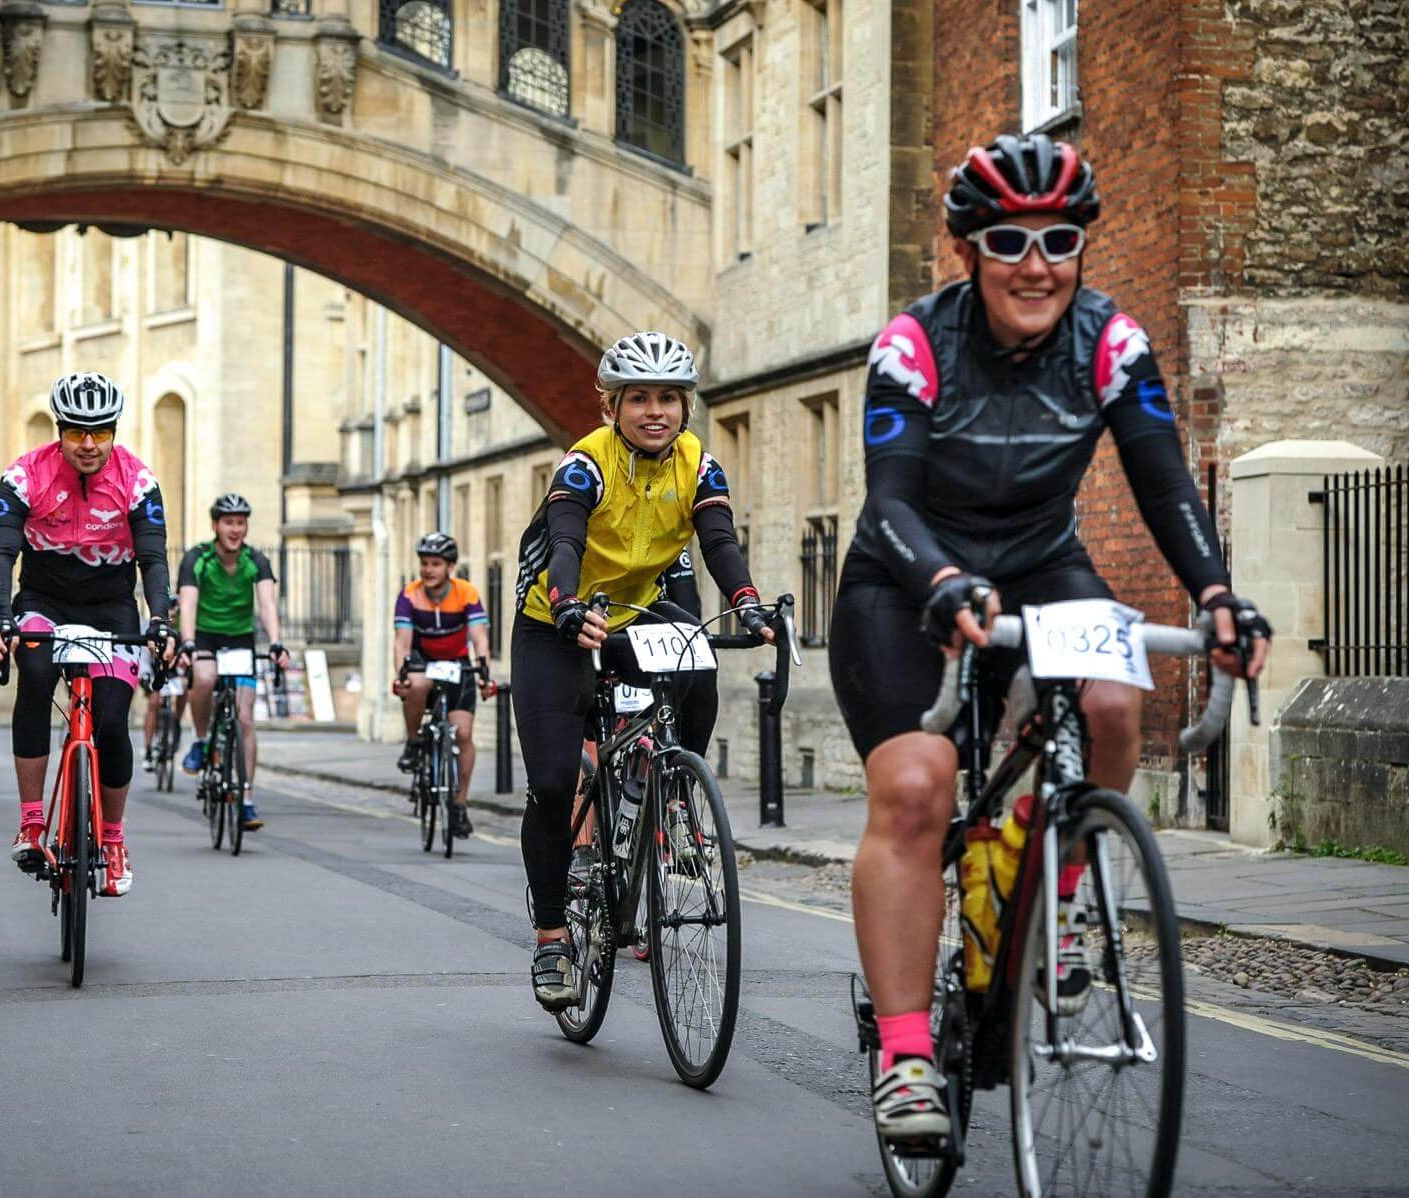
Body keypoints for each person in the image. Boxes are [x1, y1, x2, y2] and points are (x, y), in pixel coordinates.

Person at [832, 134, 1272, 1142]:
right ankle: (905, 1056)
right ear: (969, 251)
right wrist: (942, 579)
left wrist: (1215, 594)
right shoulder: (914, 345)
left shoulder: (1112, 344)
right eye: (1009, 241)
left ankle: (1063, 894)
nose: (1037, 264)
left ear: (1082, 248)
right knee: (915, 791)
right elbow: (887, 499)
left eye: (1060, 239)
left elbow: (1164, 477)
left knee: (1116, 699)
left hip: (1037, 564)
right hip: (907, 576)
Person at [511, 331, 775, 1012]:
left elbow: (718, 542)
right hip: (556, 624)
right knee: (548, 781)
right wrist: (568, 606)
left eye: (668, 398)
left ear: (685, 407)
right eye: (638, 399)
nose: (654, 411)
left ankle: (674, 790)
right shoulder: (584, 465)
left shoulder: (699, 465)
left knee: (697, 657)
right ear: (612, 407)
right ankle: (549, 940)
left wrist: (747, 604)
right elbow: (565, 541)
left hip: (632, 615)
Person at [0, 372, 177, 899]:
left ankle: (113, 841)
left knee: (112, 722)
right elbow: (1, 553)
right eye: (76, 432)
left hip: (112, 609)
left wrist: (159, 620)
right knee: (36, 677)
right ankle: (31, 823)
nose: (88, 444)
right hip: (44, 602)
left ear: (114, 430)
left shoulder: (138, 481)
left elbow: (154, 559)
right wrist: (2, 615)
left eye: (100, 432)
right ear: (59, 429)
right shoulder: (24, 476)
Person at [177, 493, 290, 832]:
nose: (235, 529)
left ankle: (246, 798)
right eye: (229, 522)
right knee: (205, 678)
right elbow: (188, 603)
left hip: (241, 638)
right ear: (216, 525)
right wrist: (188, 644)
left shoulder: (256, 559)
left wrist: (276, 642)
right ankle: (200, 740)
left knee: (244, 718)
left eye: (240, 523)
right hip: (206, 636)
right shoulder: (198, 557)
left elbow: (268, 603)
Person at [390, 532, 496, 839]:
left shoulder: (466, 592)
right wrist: (402, 672)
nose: (428, 570)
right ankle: (413, 742)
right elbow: (403, 642)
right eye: (424, 564)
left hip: (457, 664)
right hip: (424, 660)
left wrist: (484, 670)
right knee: (417, 684)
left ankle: (459, 805)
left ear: (450, 566)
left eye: (435, 564)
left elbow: (479, 636)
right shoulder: (410, 595)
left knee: (463, 733)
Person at [141, 594, 187, 773]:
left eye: (175, 607)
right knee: (153, 703)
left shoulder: (182, 630)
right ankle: (148, 750)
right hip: (154, 671)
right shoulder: (150, 627)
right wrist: (145, 677)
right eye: (169, 607)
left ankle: (176, 721)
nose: (172, 612)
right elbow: (143, 656)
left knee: (185, 691)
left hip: (175, 672)